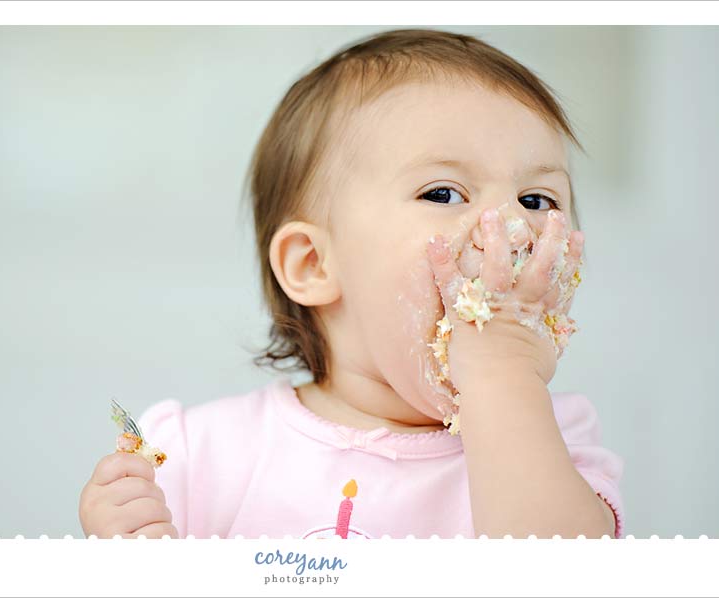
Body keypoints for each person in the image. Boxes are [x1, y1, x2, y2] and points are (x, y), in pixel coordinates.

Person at [78, 28, 624, 540]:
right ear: (314, 264)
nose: (507, 228)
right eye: (443, 193)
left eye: (538, 200)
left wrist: (502, 374)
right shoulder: (198, 460)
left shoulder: (554, 447)